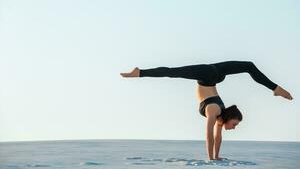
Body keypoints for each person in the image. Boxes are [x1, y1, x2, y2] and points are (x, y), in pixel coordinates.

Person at [120, 60, 293, 161]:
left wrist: (216, 157)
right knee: (172, 72)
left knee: (248, 65)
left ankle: (276, 89)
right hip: (208, 75)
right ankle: (139, 73)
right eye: (235, 123)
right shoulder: (214, 109)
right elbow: (209, 136)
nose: (234, 127)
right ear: (229, 117)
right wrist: (211, 159)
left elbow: (218, 137)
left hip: (215, 73)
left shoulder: (220, 116)